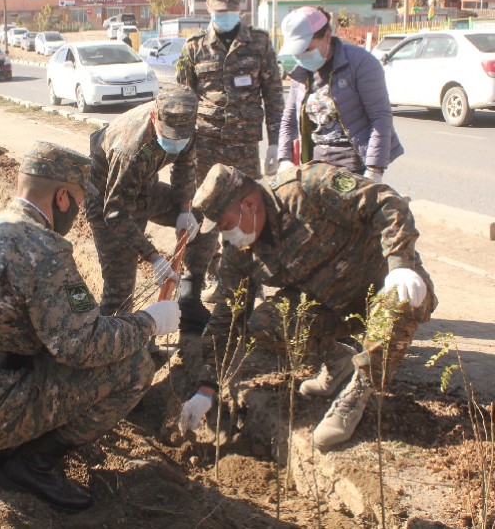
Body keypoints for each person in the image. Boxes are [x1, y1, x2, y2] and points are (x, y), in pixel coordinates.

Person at [0, 142, 181, 512]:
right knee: (134, 365)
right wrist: (151, 321)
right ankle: (33, 462)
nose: (76, 211)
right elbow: (83, 344)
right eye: (76, 200)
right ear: (62, 197)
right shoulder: (43, 248)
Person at [177, 163, 437, 450]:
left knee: (396, 305)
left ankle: (358, 392)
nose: (227, 235)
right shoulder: (239, 252)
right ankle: (338, 364)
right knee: (265, 323)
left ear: (248, 204)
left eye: (226, 225)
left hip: (388, 285)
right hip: (332, 307)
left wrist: (400, 264)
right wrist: (206, 388)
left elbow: (385, 201)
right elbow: (227, 315)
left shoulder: (307, 187)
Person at [176, 0, 284, 330]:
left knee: (245, 218)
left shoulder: (259, 45)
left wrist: (276, 144)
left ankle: (242, 291)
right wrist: (180, 151)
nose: (224, 14)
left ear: (240, 7)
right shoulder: (193, 48)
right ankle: (199, 282)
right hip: (206, 150)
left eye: (231, 9)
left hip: (243, 151)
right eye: (219, 9)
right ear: (208, 5)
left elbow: (274, 96)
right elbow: (182, 101)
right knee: (205, 218)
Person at [85, 84, 201, 316]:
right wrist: (154, 258)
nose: (176, 141)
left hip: (145, 190)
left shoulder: (184, 125)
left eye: (181, 137)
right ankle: (110, 343)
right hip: (108, 203)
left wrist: (184, 209)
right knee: (120, 292)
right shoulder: (130, 150)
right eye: (169, 136)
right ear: (153, 118)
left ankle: (190, 295)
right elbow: (115, 213)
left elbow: (184, 167)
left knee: (200, 218)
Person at [276, 6, 403, 181]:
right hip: (314, 168)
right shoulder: (300, 72)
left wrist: (374, 169)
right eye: (296, 52)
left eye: (306, 49)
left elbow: (380, 117)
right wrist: (285, 158)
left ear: (327, 37)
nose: (300, 57)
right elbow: (289, 119)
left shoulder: (361, 63)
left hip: (354, 167)